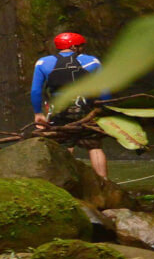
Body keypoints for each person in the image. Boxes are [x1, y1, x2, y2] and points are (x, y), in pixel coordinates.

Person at [31, 31, 110, 178]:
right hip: (87, 108)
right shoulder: (92, 61)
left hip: (59, 109)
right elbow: (104, 88)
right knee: (94, 146)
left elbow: (36, 91)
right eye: (80, 46)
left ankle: (68, 181)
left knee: (65, 145)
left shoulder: (43, 63)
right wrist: (103, 109)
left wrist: (38, 113)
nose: (82, 48)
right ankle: (104, 182)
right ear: (74, 47)